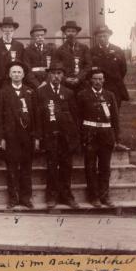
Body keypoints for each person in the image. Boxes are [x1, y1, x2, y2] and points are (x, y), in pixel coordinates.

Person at [0, 60, 39, 210]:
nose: (16, 74)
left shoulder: (30, 92)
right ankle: (13, 198)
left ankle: (26, 198)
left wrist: (36, 137)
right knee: (11, 169)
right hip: (10, 137)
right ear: (9, 74)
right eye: (13, 72)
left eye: (19, 72)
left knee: (26, 169)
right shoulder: (3, 92)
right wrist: (1, 138)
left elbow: (35, 116)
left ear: (23, 74)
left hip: (27, 137)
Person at [36, 62, 80, 209]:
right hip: (50, 136)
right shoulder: (41, 92)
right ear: (49, 75)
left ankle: (67, 196)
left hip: (66, 137)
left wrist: (74, 137)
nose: (56, 76)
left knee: (67, 167)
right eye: (53, 73)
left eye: (59, 73)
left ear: (63, 76)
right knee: (52, 167)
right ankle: (52, 196)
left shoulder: (68, 93)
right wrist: (40, 136)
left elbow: (75, 116)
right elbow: (38, 117)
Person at [76, 68, 120, 208]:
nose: (98, 81)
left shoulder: (109, 95)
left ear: (104, 80)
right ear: (90, 80)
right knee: (90, 167)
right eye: (95, 79)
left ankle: (105, 196)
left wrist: (116, 137)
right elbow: (78, 118)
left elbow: (115, 118)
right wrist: (80, 136)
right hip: (90, 135)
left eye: (100, 79)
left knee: (105, 167)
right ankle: (93, 197)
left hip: (106, 135)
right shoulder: (83, 95)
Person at [90, 25, 131, 152]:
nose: (102, 38)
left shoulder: (118, 50)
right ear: (96, 37)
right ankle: (100, 142)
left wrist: (114, 82)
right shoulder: (92, 52)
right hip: (98, 87)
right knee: (97, 114)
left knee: (114, 114)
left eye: (105, 35)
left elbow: (123, 69)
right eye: (100, 36)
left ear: (109, 36)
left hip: (114, 88)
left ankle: (116, 141)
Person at [53, 20, 92, 92]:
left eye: (73, 31)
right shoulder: (59, 50)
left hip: (81, 84)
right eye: (68, 31)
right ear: (65, 33)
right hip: (66, 85)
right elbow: (57, 68)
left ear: (77, 33)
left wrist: (79, 78)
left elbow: (88, 66)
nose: (71, 33)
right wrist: (65, 79)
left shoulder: (84, 48)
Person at [0, 17, 25, 92]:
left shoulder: (19, 46)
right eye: (5, 27)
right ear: (1, 29)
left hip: (15, 82)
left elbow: (23, 65)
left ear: (14, 29)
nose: (7, 30)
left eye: (10, 27)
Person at [23, 23, 56, 89]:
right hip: (33, 84)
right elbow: (27, 70)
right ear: (32, 37)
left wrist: (46, 82)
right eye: (37, 36)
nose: (40, 37)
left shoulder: (51, 50)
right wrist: (37, 84)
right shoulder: (27, 50)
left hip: (48, 82)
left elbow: (53, 68)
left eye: (42, 35)